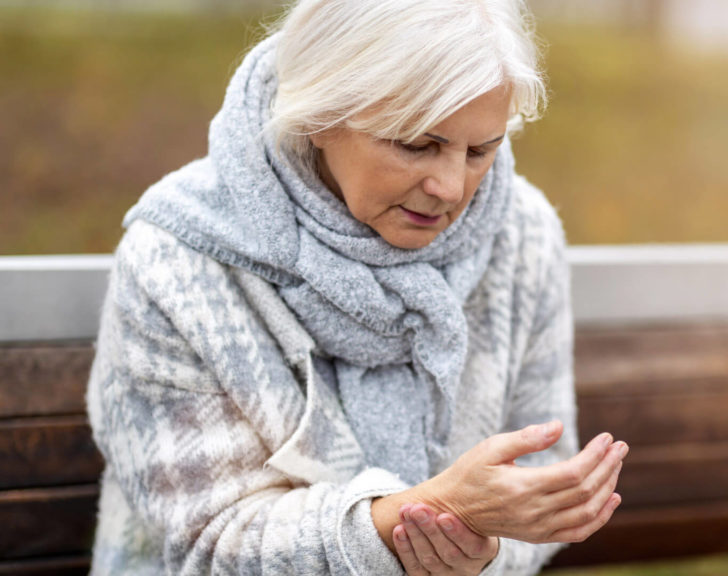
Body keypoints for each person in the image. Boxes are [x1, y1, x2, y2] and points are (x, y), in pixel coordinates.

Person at [85, 0, 628, 574]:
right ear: (318, 116)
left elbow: (543, 481)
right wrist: (421, 516)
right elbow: (211, 543)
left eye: (480, 151)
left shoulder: (523, 234)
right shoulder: (177, 261)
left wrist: (479, 550)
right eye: (416, 144)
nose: (449, 187)